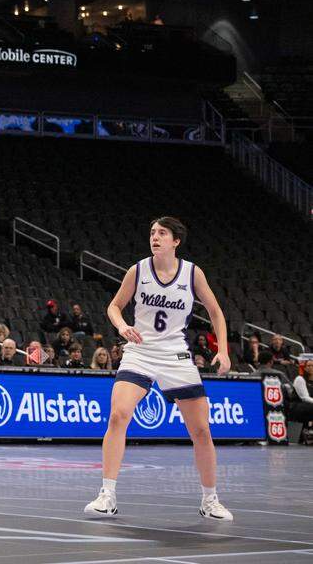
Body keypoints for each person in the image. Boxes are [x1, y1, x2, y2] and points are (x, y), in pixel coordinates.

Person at [85, 217, 233, 521]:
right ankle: (107, 495)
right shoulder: (138, 270)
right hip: (140, 351)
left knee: (201, 430)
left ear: (175, 241)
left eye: (162, 233)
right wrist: (123, 326)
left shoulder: (192, 273)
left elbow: (216, 313)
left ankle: (210, 500)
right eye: (152, 232)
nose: (155, 237)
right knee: (118, 414)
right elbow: (114, 306)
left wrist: (224, 351)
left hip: (176, 355)